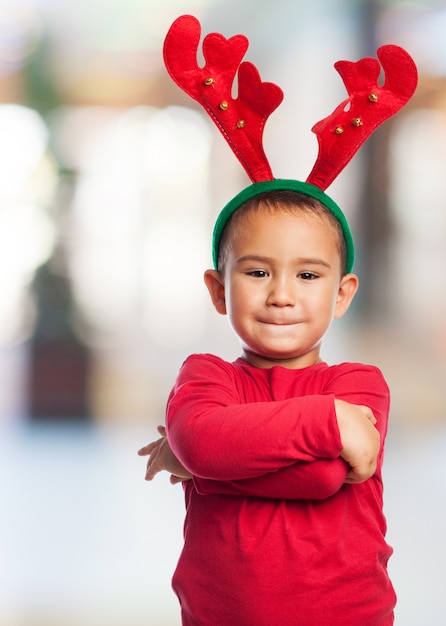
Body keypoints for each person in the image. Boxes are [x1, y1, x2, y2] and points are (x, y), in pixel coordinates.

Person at [138, 187, 395, 625]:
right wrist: (328, 420)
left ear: (341, 294)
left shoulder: (357, 384)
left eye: (308, 276)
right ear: (219, 290)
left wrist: (202, 468)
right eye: (257, 273)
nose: (281, 295)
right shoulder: (205, 376)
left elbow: (320, 477)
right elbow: (202, 442)